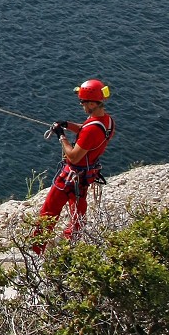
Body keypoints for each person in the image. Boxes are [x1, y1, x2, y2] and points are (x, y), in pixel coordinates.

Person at [31, 79, 115, 254]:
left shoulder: (92, 129)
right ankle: (71, 246)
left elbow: (74, 156)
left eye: (82, 102)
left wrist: (61, 136)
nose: (81, 105)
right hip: (85, 176)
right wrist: (67, 125)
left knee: (48, 212)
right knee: (77, 213)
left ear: (92, 103)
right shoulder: (106, 122)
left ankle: (36, 250)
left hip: (71, 176)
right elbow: (85, 130)